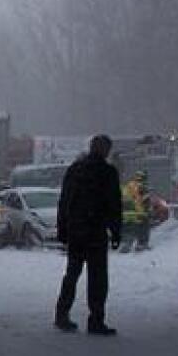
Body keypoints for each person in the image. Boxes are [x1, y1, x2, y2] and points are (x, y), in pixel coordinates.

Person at [54, 134, 123, 336]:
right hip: (96, 232)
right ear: (105, 150)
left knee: (72, 274)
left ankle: (62, 314)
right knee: (98, 278)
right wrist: (116, 230)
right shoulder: (108, 172)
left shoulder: (76, 170)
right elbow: (114, 204)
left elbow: (65, 201)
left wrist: (63, 229)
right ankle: (96, 320)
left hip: (77, 230)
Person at [120, 170, 152, 253]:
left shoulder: (129, 185)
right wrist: (148, 211)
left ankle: (126, 244)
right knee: (143, 227)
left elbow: (123, 197)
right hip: (139, 212)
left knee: (129, 228)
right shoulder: (143, 187)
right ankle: (142, 244)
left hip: (126, 212)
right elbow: (146, 201)